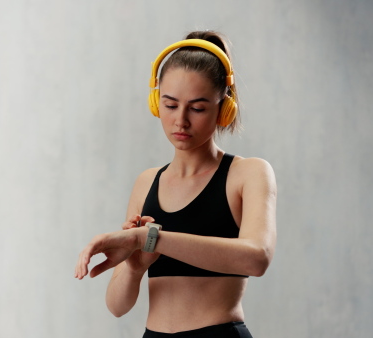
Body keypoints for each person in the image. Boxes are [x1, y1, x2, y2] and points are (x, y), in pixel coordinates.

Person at [74, 31, 277, 338]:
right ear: (156, 103)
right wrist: (134, 266)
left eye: (197, 108)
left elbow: (256, 257)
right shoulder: (147, 182)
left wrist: (151, 238)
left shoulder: (247, 173)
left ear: (224, 108)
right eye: (170, 105)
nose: (181, 121)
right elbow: (117, 306)